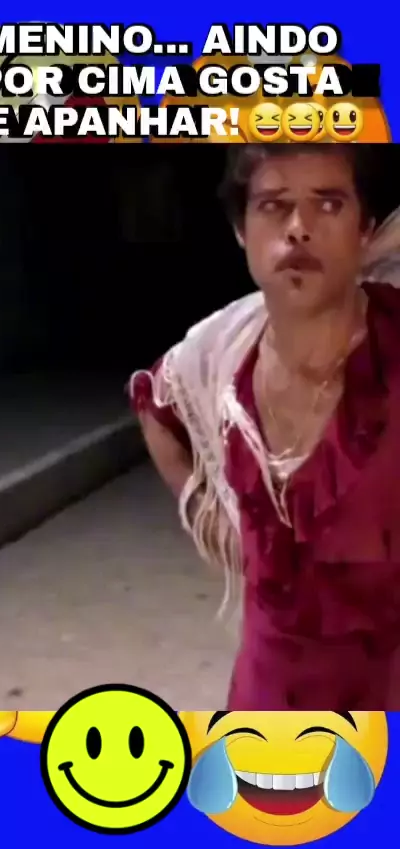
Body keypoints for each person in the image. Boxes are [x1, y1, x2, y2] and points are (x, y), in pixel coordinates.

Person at [129, 143, 400, 710]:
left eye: (329, 204)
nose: (298, 228)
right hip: (269, 698)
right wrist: (209, 518)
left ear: (365, 230)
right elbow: (154, 402)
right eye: (274, 206)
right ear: (240, 230)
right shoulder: (222, 351)